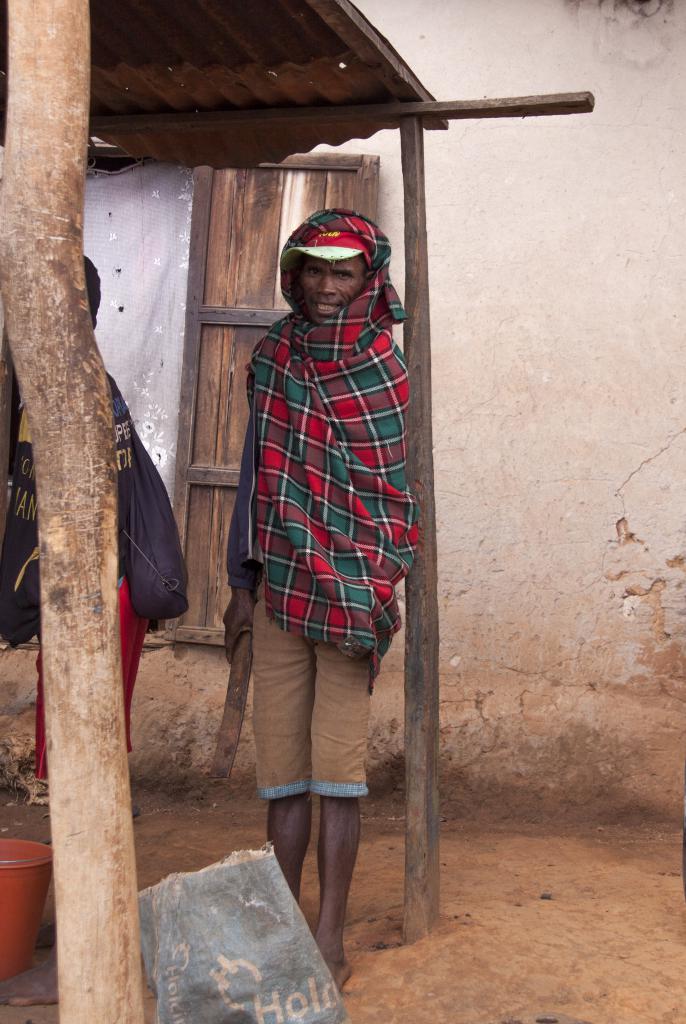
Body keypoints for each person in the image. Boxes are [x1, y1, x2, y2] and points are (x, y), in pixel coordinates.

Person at [223, 209, 418, 989]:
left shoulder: (386, 371)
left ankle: (328, 935)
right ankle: (281, 928)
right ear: (293, 275)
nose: (327, 286)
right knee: (282, 774)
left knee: (337, 774)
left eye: (343, 273)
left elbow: (395, 494)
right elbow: (253, 476)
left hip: (349, 597)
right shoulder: (274, 358)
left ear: (369, 280)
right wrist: (240, 583)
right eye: (314, 270)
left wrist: (370, 578)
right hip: (276, 592)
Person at [0, 256, 186, 1006]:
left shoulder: (73, 383)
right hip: (78, 595)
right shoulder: (34, 379)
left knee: (82, 759)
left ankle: (86, 938)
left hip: (98, 599)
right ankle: (74, 921)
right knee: (73, 756)